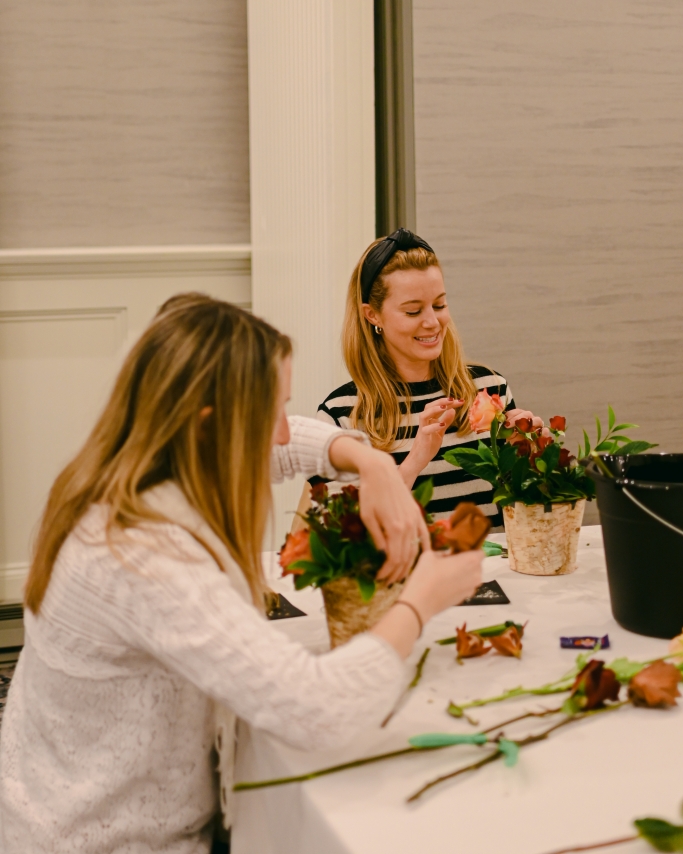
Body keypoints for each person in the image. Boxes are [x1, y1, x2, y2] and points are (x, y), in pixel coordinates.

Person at [0, 293, 483, 854]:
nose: (282, 431)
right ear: (211, 426)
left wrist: (372, 461)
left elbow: (292, 444)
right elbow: (314, 710)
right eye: (272, 411)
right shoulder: (141, 556)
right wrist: (419, 602)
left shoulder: (138, 471)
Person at [312, 229, 516, 526]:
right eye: (412, 311)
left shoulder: (490, 389)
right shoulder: (341, 416)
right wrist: (415, 460)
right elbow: (343, 534)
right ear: (373, 316)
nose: (432, 322)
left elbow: (522, 513)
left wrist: (535, 455)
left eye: (439, 305)